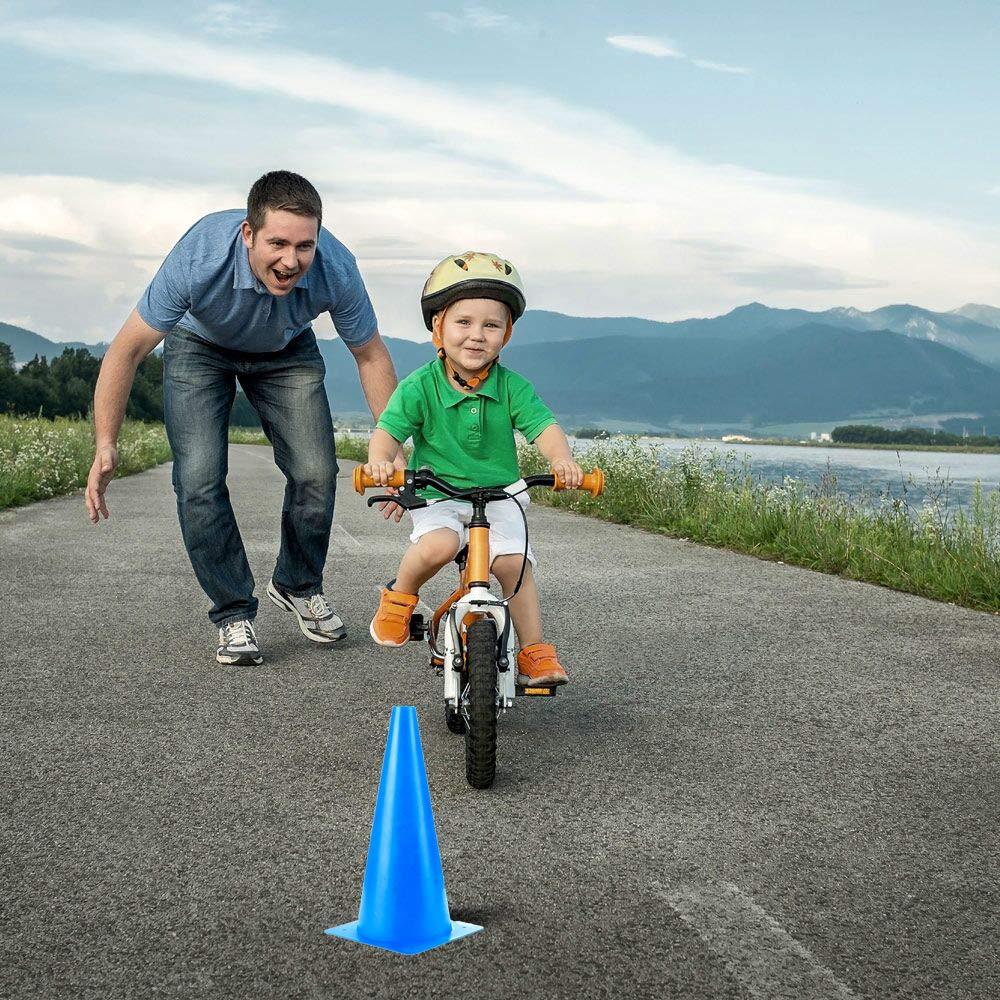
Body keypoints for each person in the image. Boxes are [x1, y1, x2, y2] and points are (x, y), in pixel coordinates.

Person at [85, 171, 402, 666]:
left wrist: (394, 440)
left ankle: (297, 584)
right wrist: (106, 442)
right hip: (200, 345)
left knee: (317, 471)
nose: (291, 261)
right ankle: (233, 612)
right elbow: (126, 352)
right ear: (248, 234)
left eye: (304, 246)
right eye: (277, 243)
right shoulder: (200, 257)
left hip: (286, 347)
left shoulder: (336, 266)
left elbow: (370, 355)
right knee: (199, 478)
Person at [362, 251, 583, 686]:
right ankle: (399, 597)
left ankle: (534, 652)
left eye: (491, 325)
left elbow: (545, 427)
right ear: (437, 328)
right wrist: (380, 462)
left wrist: (562, 460)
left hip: (502, 494)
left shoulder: (512, 387)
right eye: (463, 323)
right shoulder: (420, 386)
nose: (476, 335)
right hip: (438, 492)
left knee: (513, 566)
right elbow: (388, 430)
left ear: (507, 333)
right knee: (439, 545)